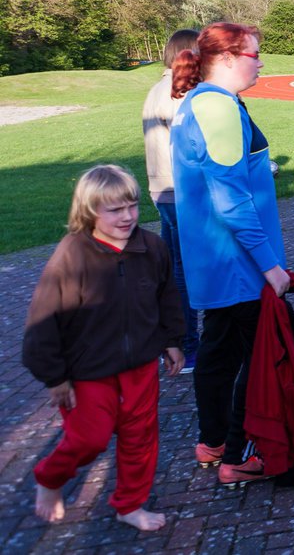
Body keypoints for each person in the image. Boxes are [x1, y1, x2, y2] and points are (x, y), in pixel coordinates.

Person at [23, 165, 184, 532]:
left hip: (141, 366)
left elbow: (167, 296)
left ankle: (130, 505)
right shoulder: (73, 254)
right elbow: (43, 319)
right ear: (90, 211)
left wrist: (173, 340)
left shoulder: (151, 247)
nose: (127, 216)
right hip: (86, 371)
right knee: (88, 440)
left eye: (131, 206)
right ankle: (49, 479)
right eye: (115, 210)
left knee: (140, 439)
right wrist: (55, 377)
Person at [170, 22, 290, 488]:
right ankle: (238, 455)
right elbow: (231, 200)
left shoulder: (204, 103)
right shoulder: (216, 108)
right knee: (257, 360)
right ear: (225, 59)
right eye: (254, 54)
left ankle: (213, 440)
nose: (261, 63)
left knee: (220, 353)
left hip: (218, 259)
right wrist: (271, 266)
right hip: (237, 262)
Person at [142, 28, 200, 372]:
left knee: (173, 268)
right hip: (178, 191)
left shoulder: (156, 89)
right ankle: (187, 345)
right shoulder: (178, 92)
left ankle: (176, 342)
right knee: (184, 271)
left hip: (161, 190)